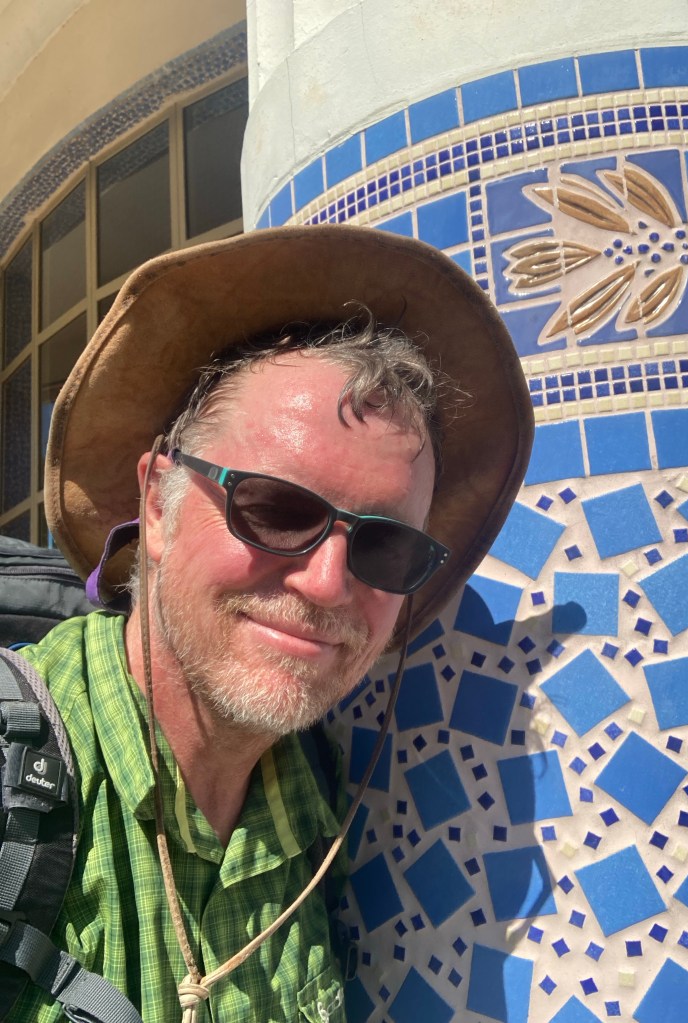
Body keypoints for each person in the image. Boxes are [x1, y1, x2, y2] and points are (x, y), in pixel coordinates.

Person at [9, 224, 533, 1022]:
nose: (327, 583)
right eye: (277, 508)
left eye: (385, 545)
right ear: (157, 504)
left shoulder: (323, 818)